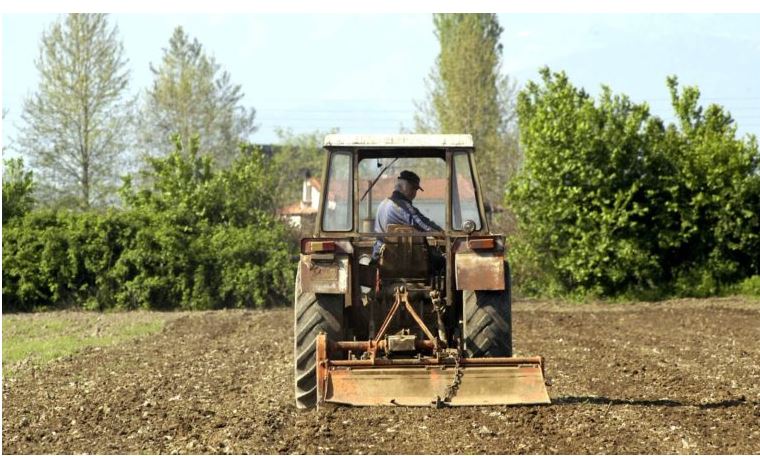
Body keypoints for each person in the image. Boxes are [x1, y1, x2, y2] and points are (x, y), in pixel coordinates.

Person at [371, 170, 443, 262]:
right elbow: (423, 224)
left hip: (379, 256)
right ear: (404, 186)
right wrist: (441, 233)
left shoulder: (383, 204)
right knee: (441, 262)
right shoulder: (402, 206)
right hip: (398, 259)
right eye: (414, 188)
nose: (414, 193)